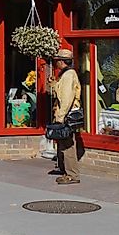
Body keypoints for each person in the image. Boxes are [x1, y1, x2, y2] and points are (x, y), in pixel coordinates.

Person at [49, 48, 82, 185]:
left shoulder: (69, 75)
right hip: (64, 113)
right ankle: (65, 170)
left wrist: (60, 117)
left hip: (66, 115)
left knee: (68, 144)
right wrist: (54, 84)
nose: (56, 64)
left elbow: (67, 98)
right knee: (63, 142)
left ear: (62, 62)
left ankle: (72, 174)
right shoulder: (66, 74)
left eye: (57, 61)